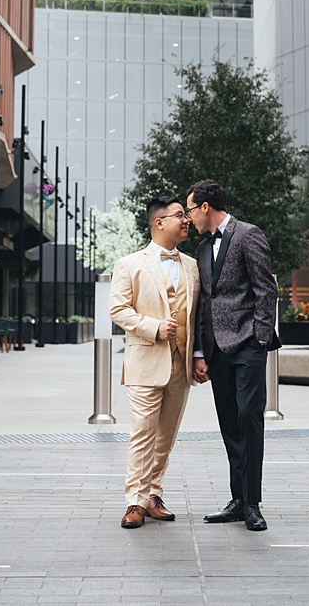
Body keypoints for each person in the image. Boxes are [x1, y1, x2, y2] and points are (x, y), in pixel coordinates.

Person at [186, 179, 279, 532]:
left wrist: (259, 339)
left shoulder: (248, 234)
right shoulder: (201, 248)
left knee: (249, 420)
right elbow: (204, 301)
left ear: (206, 207)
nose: (189, 216)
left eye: (191, 209)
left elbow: (265, 290)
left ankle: (252, 503)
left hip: (246, 347)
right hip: (216, 351)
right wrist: (200, 351)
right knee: (229, 426)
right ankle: (237, 499)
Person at [109, 196, 200, 529]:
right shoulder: (129, 264)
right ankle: (134, 501)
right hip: (146, 360)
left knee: (166, 435)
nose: (186, 220)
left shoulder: (192, 265)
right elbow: (118, 310)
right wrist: (153, 327)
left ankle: (153, 495)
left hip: (182, 363)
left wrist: (199, 355)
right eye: (180, 215)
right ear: (159, 223)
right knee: (142, 433)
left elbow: (198, 316)